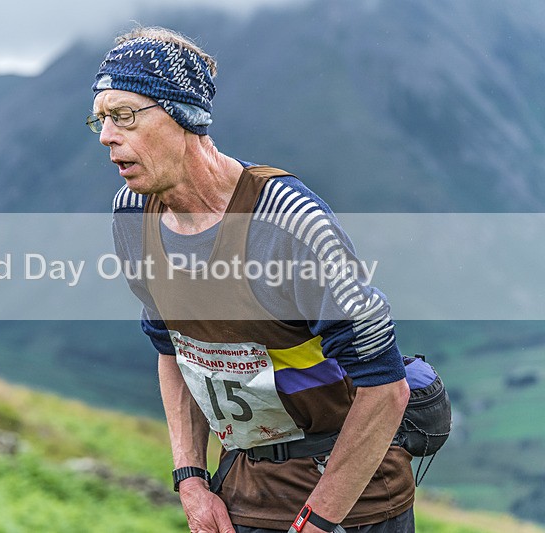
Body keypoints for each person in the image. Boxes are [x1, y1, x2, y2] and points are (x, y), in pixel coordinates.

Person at [88, 26, 415, 533]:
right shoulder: (132, 213)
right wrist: (191, 479)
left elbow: (387, 389)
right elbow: (173, 349)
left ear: (183, 115)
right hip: (241, 495)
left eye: (125, 115)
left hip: (353, 509)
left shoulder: (287, 222)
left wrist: (316, 523)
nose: (108, 135)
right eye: (102, 119)